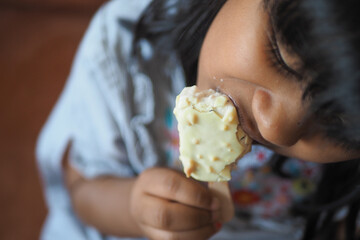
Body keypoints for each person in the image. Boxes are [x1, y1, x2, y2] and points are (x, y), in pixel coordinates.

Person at [36, 0, 360, 239]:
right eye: (281, 56)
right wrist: (136, 210)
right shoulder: (126, 59)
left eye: (337, 124)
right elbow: (80, 189)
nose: (275, 127)